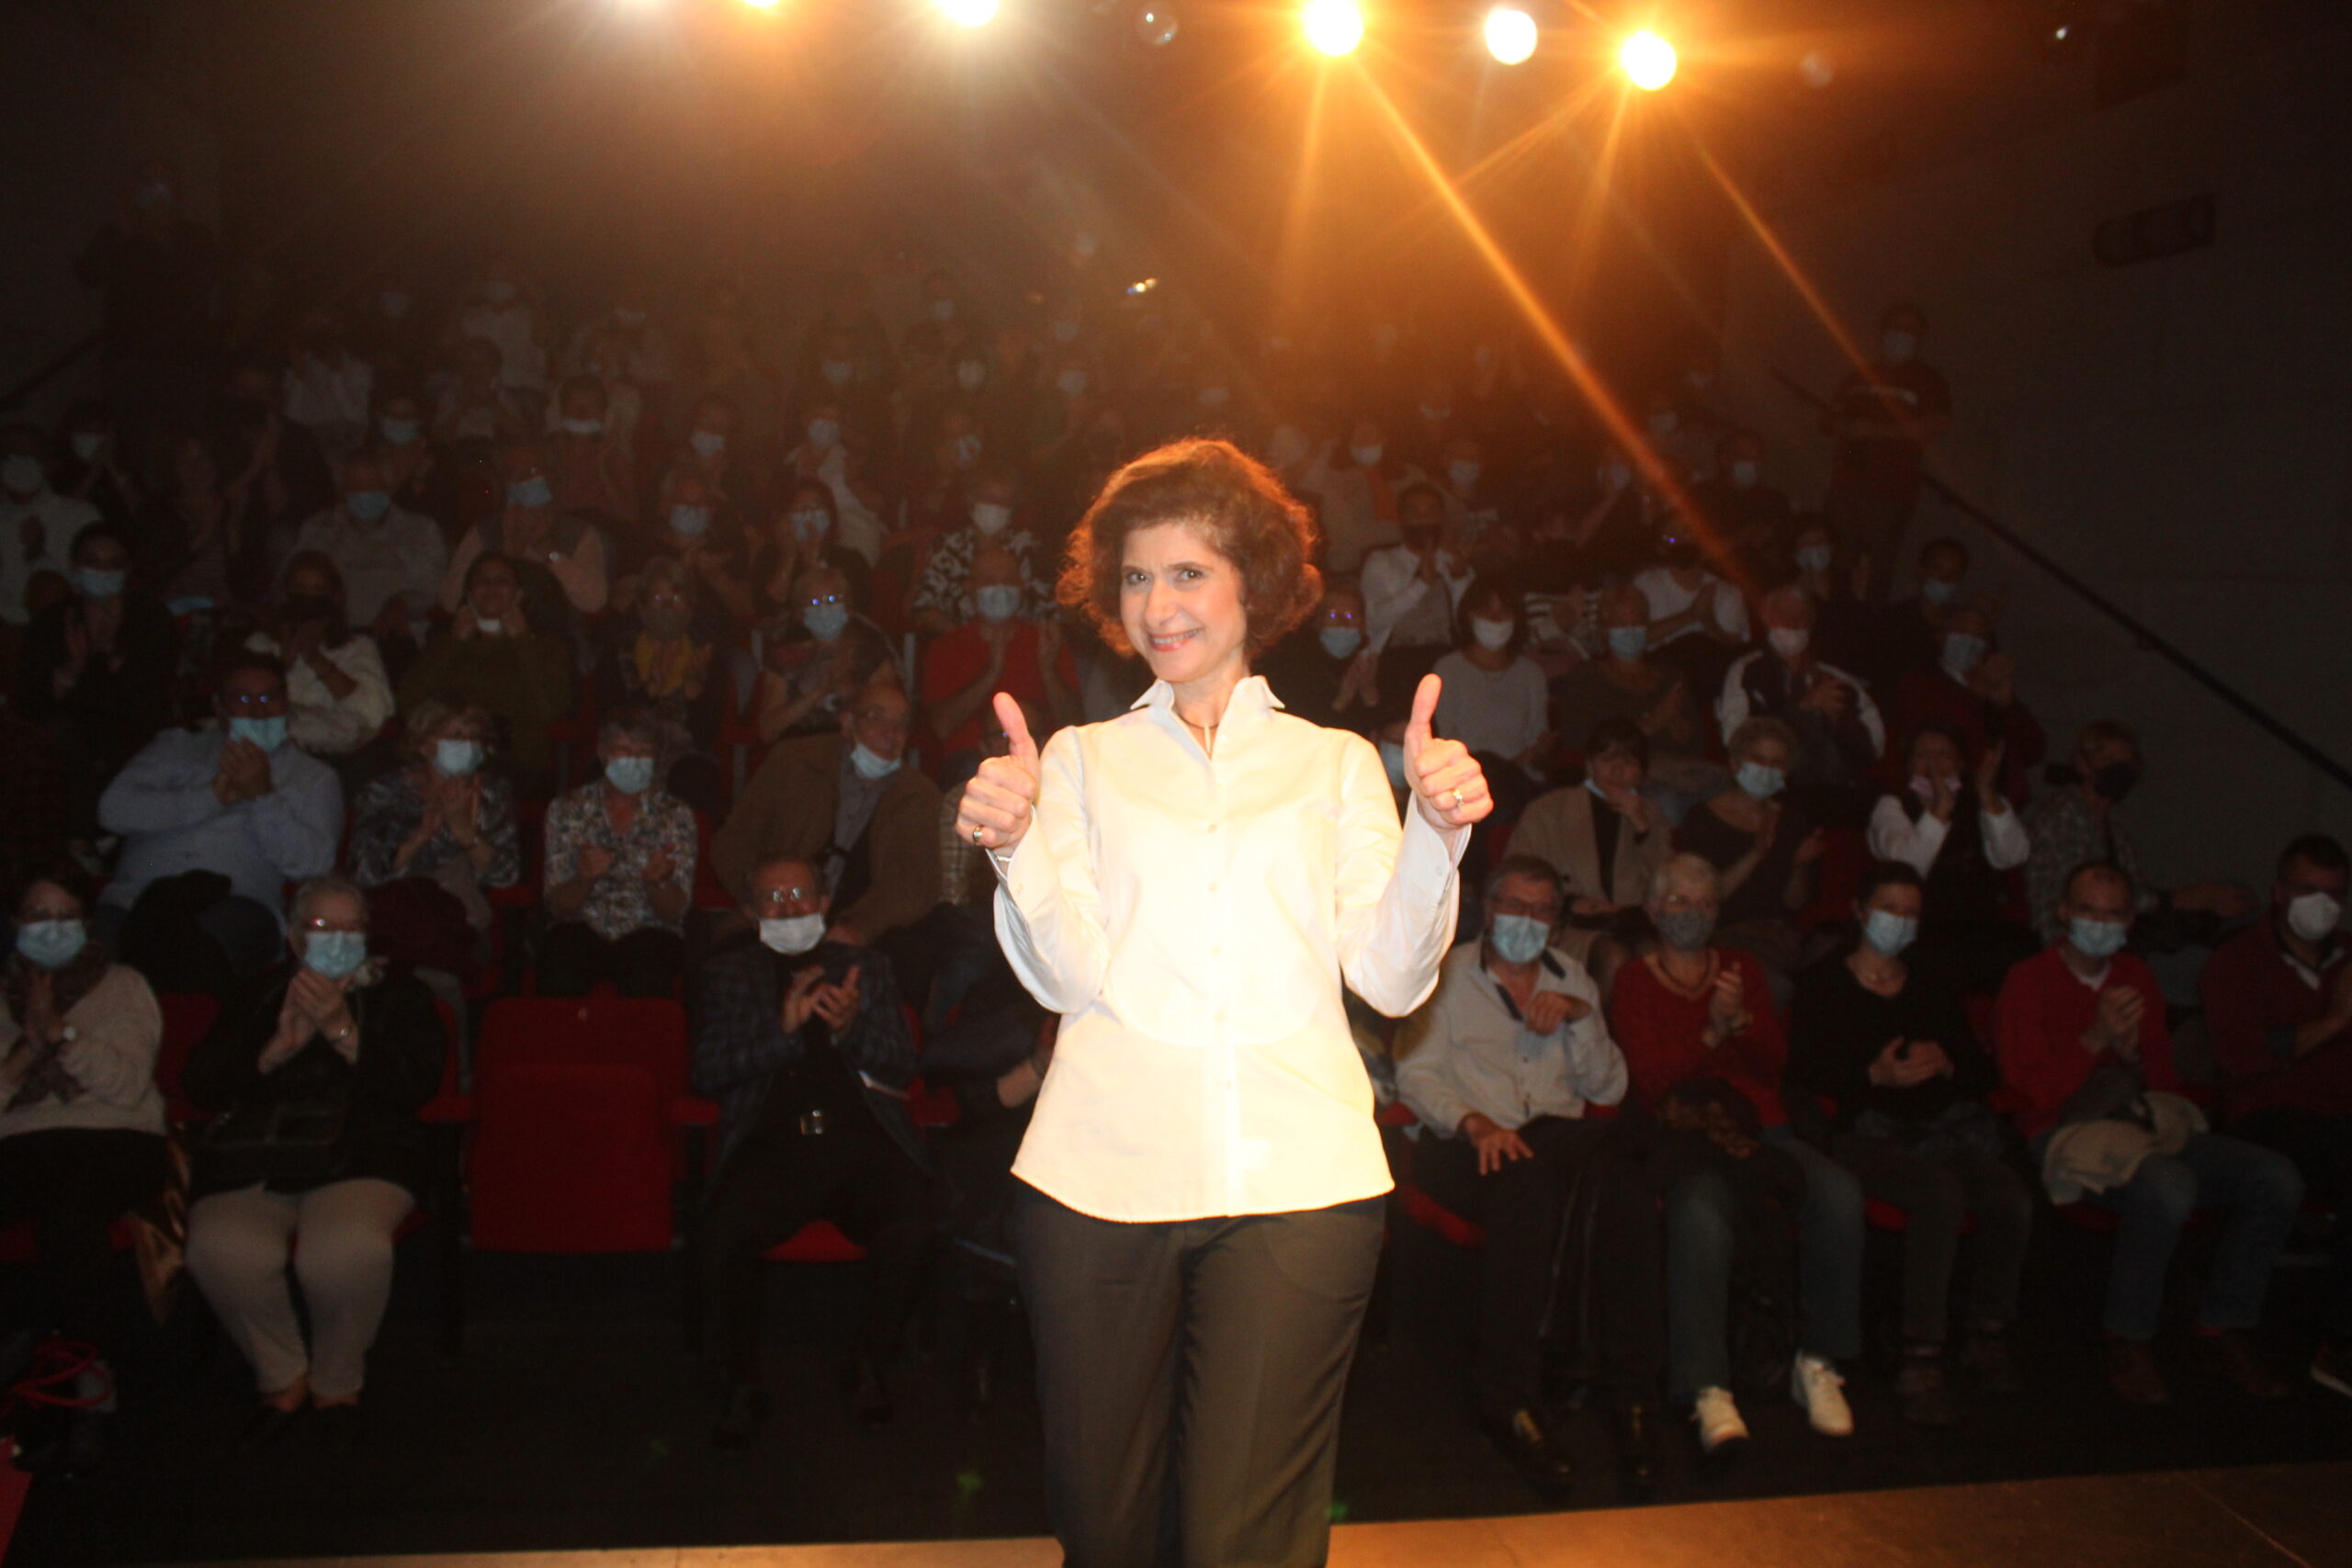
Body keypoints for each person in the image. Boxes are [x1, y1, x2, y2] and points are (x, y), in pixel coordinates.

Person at [959, 437, 1489, 1568]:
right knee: (1105, 1533)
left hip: (1300, 1180)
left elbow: (1391, 979)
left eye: (1188, 571)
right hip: (1098, 1177)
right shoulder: (1082, 758)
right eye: (1138, 577)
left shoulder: (1336, 762)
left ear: (1253, 581)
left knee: (1241, 1540)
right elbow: (1066, 978)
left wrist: (1439, 837)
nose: (1159, 603)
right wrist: (1011, 848)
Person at [1393, 856, 1663, 1493]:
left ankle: (1633, 1397)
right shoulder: (1446, 974)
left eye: (1543, 910)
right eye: (1516, 905)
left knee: (1623, 1187)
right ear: (1490, 909)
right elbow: (1416, 1075)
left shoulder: (1574, 981)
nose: (1527, 920)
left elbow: (1611, 1086)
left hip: (1554, 1137)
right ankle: (1507, 1398)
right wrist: (1475, 1123)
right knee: (1529, 1186)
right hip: (1467, 1142)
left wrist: (1581, 1018)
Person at [1995, 862, 2301, 1405]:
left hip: (2142, 1121)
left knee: (2274, 1177)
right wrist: (2093, 1040)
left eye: (2113, 914)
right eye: (2088, 911)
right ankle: (2129, 1338)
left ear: (2129, 920)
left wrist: (2133, 1051)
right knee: (2168, 1185)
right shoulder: (2028, 980)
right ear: (2064, 913)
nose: (2100, 923)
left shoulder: (2135, 975)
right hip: (2066, 1132)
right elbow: (2030, 1093)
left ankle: (2223, 1324)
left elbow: (2167, 1084)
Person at [1609, 854, 1864, 1453]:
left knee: (1838, 1193)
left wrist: (1743, 1023)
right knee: (1702, 1210)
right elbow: (1649, 1082)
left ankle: (1818, 1359)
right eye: (1678, 901)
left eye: (1704, 903)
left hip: (1762, 1128)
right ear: (1652, 908)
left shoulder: (1742, 968)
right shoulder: (1635, 981)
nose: (1691, 913)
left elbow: (1775, 1064)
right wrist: (1710, 1037)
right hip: (1687, 1138)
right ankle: (1706, 1387)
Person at [183, 875, 446, 1453]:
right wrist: (272, 1052)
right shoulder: (256, 993)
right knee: (221, 1247)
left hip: (363, 1152)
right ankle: (281, 1376)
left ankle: (337, 1383)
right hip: (258, 1154)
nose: (338, 938)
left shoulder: (401, 995)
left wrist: (342, 1031)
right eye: (324, 928)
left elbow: (414, 1085)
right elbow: (201, 1083)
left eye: (352, 927)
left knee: (345, 1250)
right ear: (297, 938)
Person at [691, 853, 930, 1447]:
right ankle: (742, 1380)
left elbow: (903, 1065)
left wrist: (850, 1031)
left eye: (801, 894)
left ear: (824, 904)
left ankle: (869, 1362)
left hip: (857, 1144)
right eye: (773, 898)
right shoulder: (729, 974)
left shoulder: (866, 967)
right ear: (750, 913)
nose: (790, 906)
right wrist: (782, 1030)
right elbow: (708, 1071)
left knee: (913, 1223)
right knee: (722, 1230)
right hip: (773, 1147)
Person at [1786, 861, 2032, 1427]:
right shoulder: (1824, 983)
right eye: (1888, 908)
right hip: (1864, 1133)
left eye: (1910, 911)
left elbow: (1977, 1068)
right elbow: (1804, 1074)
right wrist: (1873, 1076)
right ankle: (1920, 1355)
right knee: (1938, 1194)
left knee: (2008, 1195)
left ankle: (1986, 1332)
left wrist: (1947, 1062)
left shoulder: (1931, 976)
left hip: (1941, 1126)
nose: (1899, 921)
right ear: (1858, 911)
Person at [0, 861, 169, 1449]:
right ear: (16, 923)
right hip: (22, 1144)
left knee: (70, 1221)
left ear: (88, 924)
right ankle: (26, 1348)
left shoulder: (123, 985)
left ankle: (84, 1380)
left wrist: (65, 1037)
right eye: (38, 917)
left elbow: (125, 1086)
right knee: (42, 1193)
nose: (51, 929)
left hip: (113, 1138)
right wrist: (27, 1048)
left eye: (65, 917)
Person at [2197, 834, 2352, 1395]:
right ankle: (2341, 1346)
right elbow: (2241, 1058)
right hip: (2270, 1112)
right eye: (2309, 890)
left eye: (2334, 894)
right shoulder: (2238, 960)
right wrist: (2334, 1022)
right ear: (2279, 891)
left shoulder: (2348, 956)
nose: (2323, 905)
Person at [98, 651, 343, 994]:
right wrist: (211, 798)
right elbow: (113, 810)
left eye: (269, 697)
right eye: (243, 699)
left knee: (197, 952)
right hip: (135, 897)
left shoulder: (313, 778)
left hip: (234, 904)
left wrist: (263, 798)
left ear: (286, 703)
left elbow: (314, 864)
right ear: (220, 707)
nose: (258, 711)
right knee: (86, 963)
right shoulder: (175, 747)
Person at [714, 681, 940, 950]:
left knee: (909, 956)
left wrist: (861, 926)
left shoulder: (919, 795)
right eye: (875, 717)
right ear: (846, 722)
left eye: (902, 724)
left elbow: (916, 883)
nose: (891, 732)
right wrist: (765, 901)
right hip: (776, 910)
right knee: (729, 953)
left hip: (864, 923)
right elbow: (733, 842)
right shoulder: (793, 761)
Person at [2020, 721, 2252, 946]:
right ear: (2083, 764)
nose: (2119, 769)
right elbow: (2087, 894)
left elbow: (2132, 890)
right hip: (2062, 944)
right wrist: (2180, 899)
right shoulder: (2066, 813)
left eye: (2126, 763)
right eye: (2110, 760)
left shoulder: (2115, 835)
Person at [17, 523, 175, 838]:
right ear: (74, 567)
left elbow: (154, 698)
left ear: (128, 570)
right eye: (92, 562)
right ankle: (80, 840)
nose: (102, 572)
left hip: (132, 724)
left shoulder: (151, 617)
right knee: (59, 734)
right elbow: (30, 704)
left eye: (113, 565)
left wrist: (109, 650)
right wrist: (72, 670)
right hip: (72, 731)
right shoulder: (51, 621)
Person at [345, 698, 523, 967]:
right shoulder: (383, 792)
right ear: (423, 744)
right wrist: (419, 838)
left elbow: (506, 877)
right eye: (456, 737)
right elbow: (363, 873)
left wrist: (467, 836)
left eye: (476, 737)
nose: (468, 745)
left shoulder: (493, 793)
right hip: (390, 917)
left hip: (460, 922)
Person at [73, 159, 222, 471]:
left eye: (164, 186)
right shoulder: (119, 237)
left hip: (183, 360)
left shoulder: (196, 238)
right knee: (134, 446)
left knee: (184, 449)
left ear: (177, 194)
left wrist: (159, 236)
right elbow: (88, 274)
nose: (156, 194)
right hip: (128, 359)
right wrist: (122, 230)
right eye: (148, 185)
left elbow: (201, 288)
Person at [1867, 724, 2037, 996]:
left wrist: (1986, 792)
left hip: (1980, 927)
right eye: (1923, 754)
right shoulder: (1891, 805)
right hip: (1921, 929)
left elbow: (2012, 855)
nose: (1933, 761)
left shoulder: (1981, 799)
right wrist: (1940, 810)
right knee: (1940, 964)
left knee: (2025, 951)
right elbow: (1906, 866)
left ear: (1960, 763)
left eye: (1943, 753)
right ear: (1909, 764)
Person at [537, 709, 695, 999]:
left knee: (647, 972)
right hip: (581, 926)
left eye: (643, 752)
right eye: (624, 750)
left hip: (649, 929)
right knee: (560, 964)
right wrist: (583, 880)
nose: (633, 760)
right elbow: (557, 907)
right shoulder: (567, 809)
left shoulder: (675, 815)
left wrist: (656, 884)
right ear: (603, 753)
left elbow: (675, 911)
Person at [1510, 718, 1671, 994]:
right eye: (1608, 759)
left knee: (1656, 959)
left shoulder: (1651, 813)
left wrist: (1643, 830)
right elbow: (1517, 871)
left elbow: (1668, 882)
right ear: (1590, 764)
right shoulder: (1550, 809)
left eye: (1630, 763)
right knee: (1612, 956)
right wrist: (1570, 902)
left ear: (1642, 773)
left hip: (1630, 925)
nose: (1618, 771)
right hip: (1568, 925)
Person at [1676, 718, 1827, 1004]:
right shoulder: (1702, 818)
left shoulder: (1793, 821)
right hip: (1728, 937)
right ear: (1734, 764)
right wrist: (1755, 854)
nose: (1767, 770)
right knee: (1776, 986)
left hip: (1783, 938)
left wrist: (1799, 863)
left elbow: (1795, 903)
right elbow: (1703, 900)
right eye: (1759, 759)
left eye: (1777, 763)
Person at [398, 552, 575, 797]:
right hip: (443, 753)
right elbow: (408, 702)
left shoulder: (547, 646)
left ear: (519, 594)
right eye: (483, 581)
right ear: (469, 594)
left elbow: (551, 707)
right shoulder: (444, 641)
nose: (492, 587)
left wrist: (522, 641)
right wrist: (453, 642)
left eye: (502, 581)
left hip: (509, 758)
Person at [1716, 584, 1884, 825]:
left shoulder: (1839, 680)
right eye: (1783, 615)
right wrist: (1801, 710)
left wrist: (1839, 722)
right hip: (1777, 787)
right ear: (1766, 619)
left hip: (1837, 788)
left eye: (1802, 617)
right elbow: (1734, 739)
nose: (1793, 623)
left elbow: (1874, 749)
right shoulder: (1745, 671)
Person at [1820, 302, 1951, 592]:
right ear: (1883, 331)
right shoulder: (1860, 375)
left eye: (1910, 330)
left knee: (1873, 570)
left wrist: (1876, 432)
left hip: (1888, 493)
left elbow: (1936, 425)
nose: (1901, 334)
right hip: (1845, 487)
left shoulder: (1927, 380)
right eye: (1896, 327)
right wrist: (1846, 428)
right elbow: (1829, 419)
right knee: (1833, 563)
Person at [921, 544, 1080, 772]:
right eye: (988, 579)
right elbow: (941, 726)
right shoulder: (946, 648)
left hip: (1043, 761)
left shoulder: (1045, 643)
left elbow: (1074, 724)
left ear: (1022, 585)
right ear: (969, 588)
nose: (1000, 587)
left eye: (1008, 579)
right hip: (971, 766)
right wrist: (992, 671)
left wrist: (1048, 670)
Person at [290, 451, 447, 660]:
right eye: (355, 486)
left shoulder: (420, 529)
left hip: (398, 638)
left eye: (372, 485)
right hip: (332, 639)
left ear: (388, 488)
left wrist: (403, 603)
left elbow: (435, 586)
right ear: (342, 490)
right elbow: (294, 581)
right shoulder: (318, 529)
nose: (364, 493)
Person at [438, 441, 611, 623]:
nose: (523, 480)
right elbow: (450, 601)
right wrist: (507, 555)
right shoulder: (484, 530)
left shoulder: (579, 532)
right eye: (514, 474)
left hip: (557, 639)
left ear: (552, 477)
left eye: (534, 471)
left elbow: (594, 601)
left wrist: (549, 551)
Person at [1887, 604, 2044, 802]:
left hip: (1992, 806)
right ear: (1941, 636)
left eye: (1979, 635)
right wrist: (1975, 693)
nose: (1970, 641)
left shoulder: (1990, 689)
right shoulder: (1918, 683)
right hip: (1939, 801)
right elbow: (1941, 735)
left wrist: (2008, 706)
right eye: (1962, 631)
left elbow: (2034, 750)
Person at [246, 553, 395, 762]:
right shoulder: (260, 643)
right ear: (287, 592)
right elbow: (247, 706)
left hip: (335, 758)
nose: (308, 599)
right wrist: (284, 664)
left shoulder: (358, 647)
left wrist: (315, 659)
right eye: (300, 589)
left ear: (332, 596)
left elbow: (374, 715)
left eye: (317, 591)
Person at [1430, 578, 1553, 823]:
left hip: (1520, 788)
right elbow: (1445, 739)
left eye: (1503, 612)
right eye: (1487, 611)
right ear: (1469, 616)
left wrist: (1537, 752)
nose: (1496, 620)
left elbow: (1537, 737)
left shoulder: (1531, 673)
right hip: (1465, 787)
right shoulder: (1448, 669)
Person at [752, 562, 896, 746]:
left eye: (832, 600)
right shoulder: (784, 657)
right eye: (814, 602)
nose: (824, 609)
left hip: (855, 751)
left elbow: (890, 720)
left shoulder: (872, 654)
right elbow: (767, 730)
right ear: (800, 613)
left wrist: (849, 692)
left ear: (848, 606)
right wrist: (818, 692)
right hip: (799, 751)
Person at [1361, 481, 1474, 696]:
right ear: (1402, 518)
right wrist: (1422, 584)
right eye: (1414, 512)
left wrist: (1461, 578)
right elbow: (1372, 620)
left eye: (1430, 512)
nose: (1423, 520)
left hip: (1447, 663)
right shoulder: (1381, 561)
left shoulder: (1454, 561)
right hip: (1395, 663)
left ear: (1442, 517)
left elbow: (1469, 626)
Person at [910, 467, 1051, 636]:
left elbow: (1044, 606)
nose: (996, 506)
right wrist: (965, 640)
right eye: (990, 499)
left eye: (1004, 501)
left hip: (1017, 645)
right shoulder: (949, 545)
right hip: (958, 646)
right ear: (972, 500)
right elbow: (924, 606)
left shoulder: (1026, 546)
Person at [1257, 579, 1381, 736]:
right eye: (1333, 615)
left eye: (1350, 616)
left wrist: (1369, 693)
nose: (1342, 623)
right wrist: (1342, 699)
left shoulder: (1370, 664)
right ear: (1318, 622)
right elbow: (1299, 730)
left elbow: (1379, 727)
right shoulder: (1294, 665)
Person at [0, 430, 96, 631]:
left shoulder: (79, 515)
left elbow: (90, 590)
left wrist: (38, 555)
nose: (18, 464)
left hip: (57, 635)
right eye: (9, 456)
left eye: (28, 457)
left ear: (49, 465)